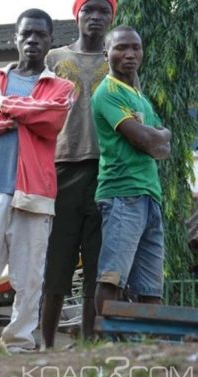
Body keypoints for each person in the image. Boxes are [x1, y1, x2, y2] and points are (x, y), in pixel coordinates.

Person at [0, 9, 75, 353]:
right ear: (15, 39)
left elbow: (50, 119)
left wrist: (3, 104)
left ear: (50, 41)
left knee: (29, 274)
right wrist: (21, 116)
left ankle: (19, 342)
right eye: (26, 34)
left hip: (35, 191)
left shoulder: (61, 86)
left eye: (40, 35)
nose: (33, 40)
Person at [41, 0, 116, 348]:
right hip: (63, 167)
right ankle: (46, 344)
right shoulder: (55, 58)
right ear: (78, 14)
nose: (96, 17)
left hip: (106, 170)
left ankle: (88, 346)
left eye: (104, 11)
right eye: (90, 9)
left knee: (97, 263)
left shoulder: (118, 58)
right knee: (58, 258)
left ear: (112, 17)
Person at [91, 26, 171, 316]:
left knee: (150, 288)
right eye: (121, 48)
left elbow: (164, 141)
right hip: (122, 195)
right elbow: (149, 140)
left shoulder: (140, 96)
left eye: (135, 48)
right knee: (112, 278)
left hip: (150, 196)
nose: (130, 54)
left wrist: (155, 139)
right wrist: (154, 139)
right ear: (106, 53)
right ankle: (105, 347)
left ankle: (148, 349)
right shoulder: (108, 93)